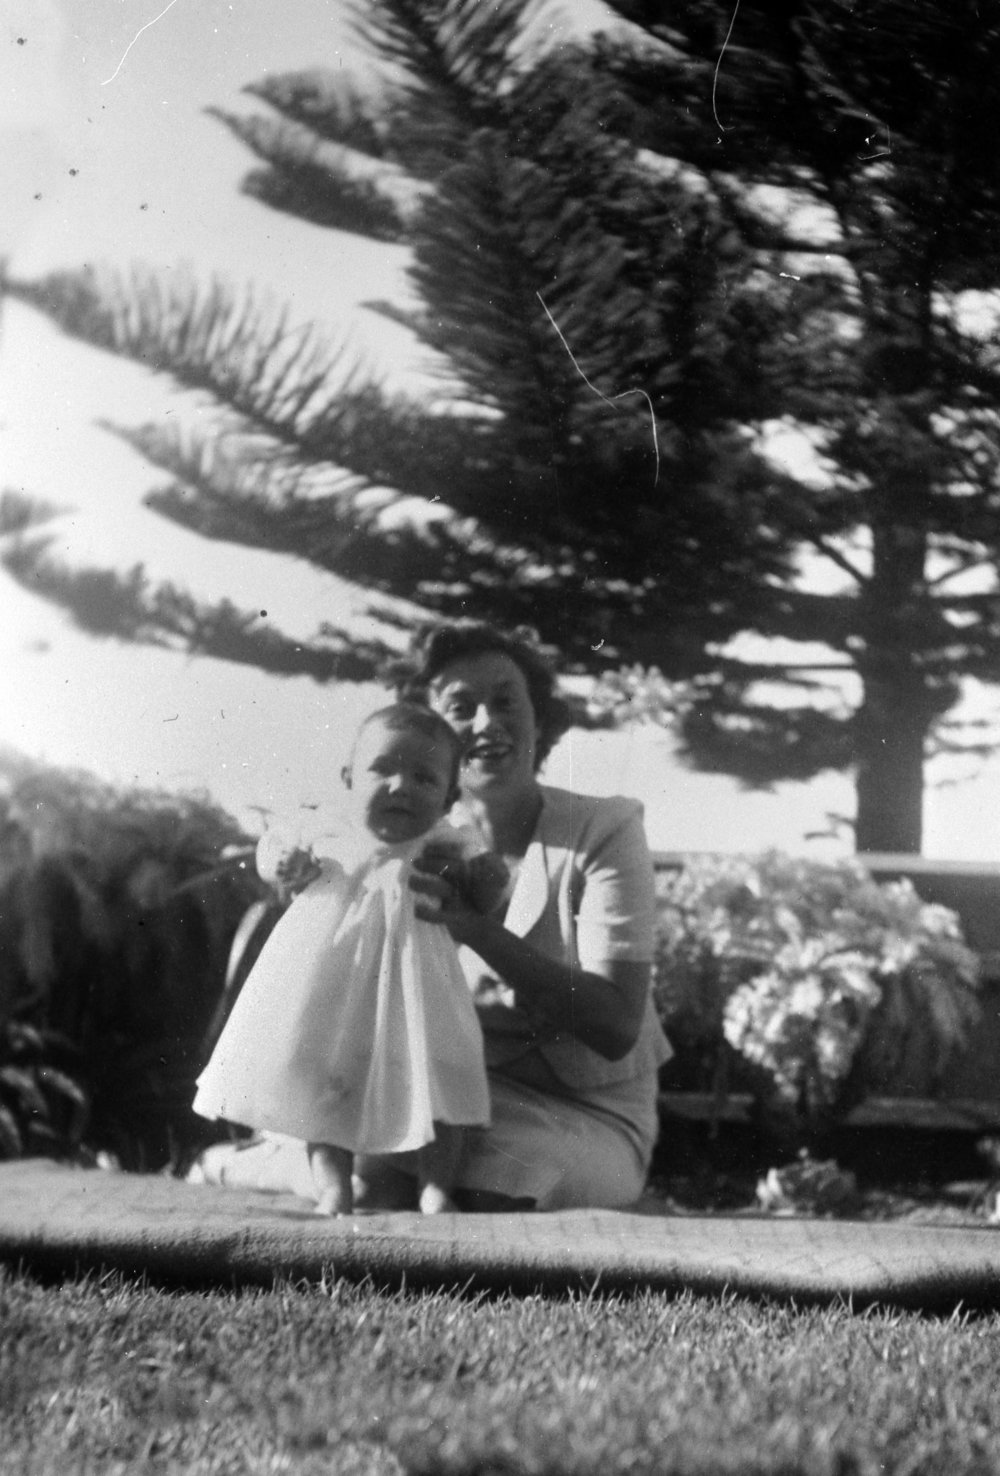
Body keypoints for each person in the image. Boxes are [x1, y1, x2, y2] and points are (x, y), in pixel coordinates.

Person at [191, 621, 671, 1211]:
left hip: (585, 1111)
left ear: (540, 720)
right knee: (368, 1182)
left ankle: (275, 1157)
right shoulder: (394, 840)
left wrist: (476, 929)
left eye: (505, 702)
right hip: (442, 1091)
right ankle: (234, 1164)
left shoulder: (605, 829)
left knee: (492, 1190)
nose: (487, 723)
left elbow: (617, 1025)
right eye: (460, 707)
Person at [191, 702, 499, 1215]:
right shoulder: (328, 828)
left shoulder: (444, 842)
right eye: (383, 769)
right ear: (348, 777)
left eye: (424, 778)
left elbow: (486, 891)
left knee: (443, 1073)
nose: (401, 786)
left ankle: (437, 1186)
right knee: (324, 1082)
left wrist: (482, 879)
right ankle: (332, 1184)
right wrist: (283, 863)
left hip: (419, 984)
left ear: (448, 799)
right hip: (334, 978)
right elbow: (274, 849)